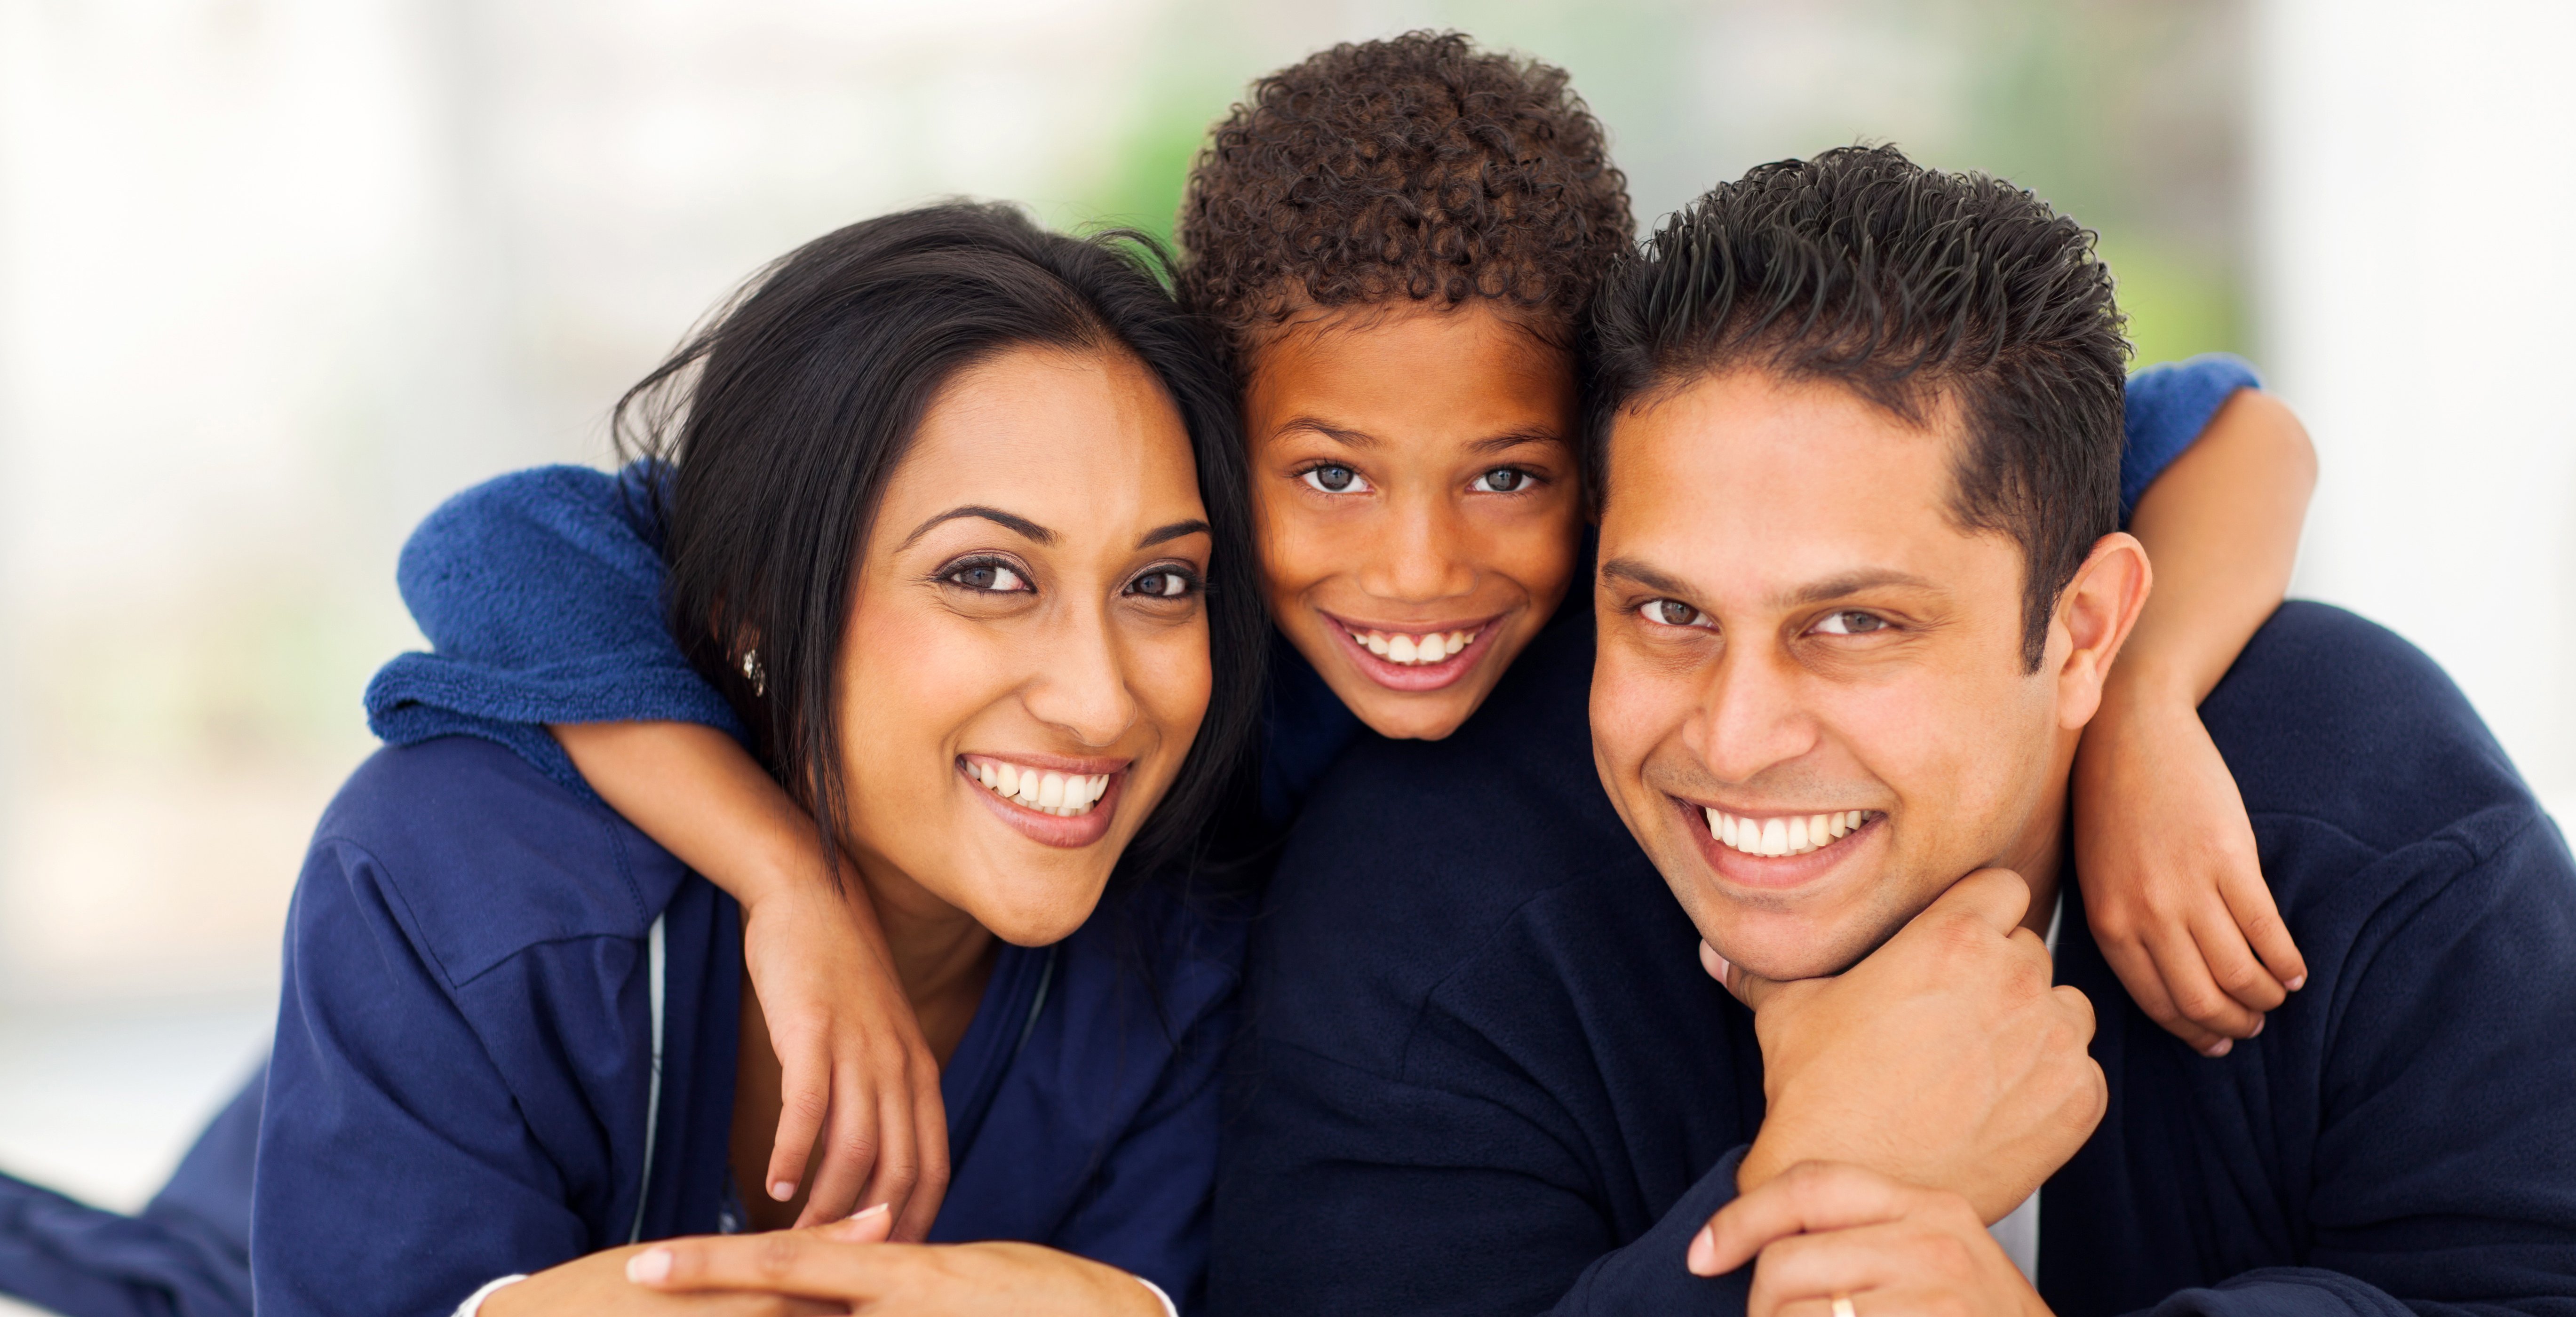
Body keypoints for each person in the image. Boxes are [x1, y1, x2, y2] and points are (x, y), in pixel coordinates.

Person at [352, 33, 2322, 1232]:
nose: (1414, 573)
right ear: (1221, 432)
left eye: (1511, 478)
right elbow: (500, 544)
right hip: (545, 1086)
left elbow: (2233, 426)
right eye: (1323, 481)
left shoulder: (1672, 596)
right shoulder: (1148, 583)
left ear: (1603, 443)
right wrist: (781, 880)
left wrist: (2137, 710)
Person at [1209, 145, 2576, 1315]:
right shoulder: (1413, 899)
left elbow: (2564, 1287)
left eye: (1854, 625)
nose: (1740, 732)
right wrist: (1821, 1185)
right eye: (1665, 615)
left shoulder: (2361, 799)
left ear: (2081, 634)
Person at [2, 202, 1261, 1317]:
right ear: (757, 606)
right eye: (984, 575)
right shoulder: (465, 873)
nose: (1100, 702)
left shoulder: (1199, 938)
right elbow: (511, 540)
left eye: (1161, 581)